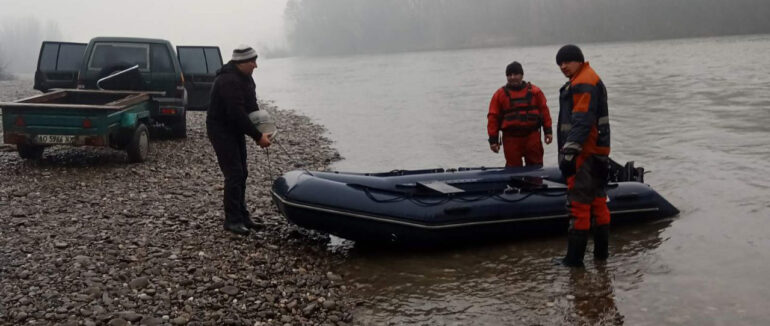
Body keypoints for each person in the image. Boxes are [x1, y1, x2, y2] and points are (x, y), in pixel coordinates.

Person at [555, 44, 611, 267]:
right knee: (598, 202)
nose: (563, 66)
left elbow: (581, 120)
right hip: (598, 153)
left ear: (579, 60)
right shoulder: (589, 78)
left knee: (579, 205)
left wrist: (569, 154)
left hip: (584, 155)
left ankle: (574, 260)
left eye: (567, 61)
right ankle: (601, 257)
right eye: (560, 63)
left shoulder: (583, 82)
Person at [207, 44, 272, 235]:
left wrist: (264, 130)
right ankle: (232, 220)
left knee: (243, 172)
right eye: (252, 62)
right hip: (220, 130)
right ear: (241, 62)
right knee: (234, 173)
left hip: (235, 130)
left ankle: (243, 216)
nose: (256, 65)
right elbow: (236, 114)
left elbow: (251, 107)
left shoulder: (246, 78)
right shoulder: (227, 80)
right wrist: (257, 137)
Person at [487, 61, 553, 167]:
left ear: (522, 75)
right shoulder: (499, 95)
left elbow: (544, 111)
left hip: (532, 137)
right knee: (513, 169)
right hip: (511, 139)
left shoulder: (535, 92)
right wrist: (493, 140)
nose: (512, 77)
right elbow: (493, 118)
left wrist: (548, 131)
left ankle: (536, 183)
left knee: (536, 167)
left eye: (515, 74)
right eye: (509, 75)